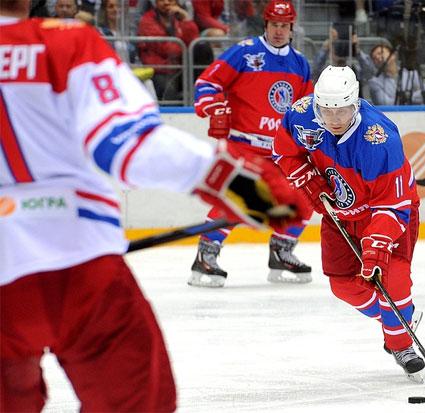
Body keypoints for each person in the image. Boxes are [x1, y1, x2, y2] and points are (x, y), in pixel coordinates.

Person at [0, 1, 309, 411]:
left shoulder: (300, 64)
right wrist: (236, 182)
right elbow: (126, 145)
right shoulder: (67, 41)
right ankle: (210, 254)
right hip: (79, 266)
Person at [273, 65, 425, 380]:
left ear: (355, 104)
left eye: (342, 111)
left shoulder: (378, 138)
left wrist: (376, 246)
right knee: (343, 286)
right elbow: (284, 152)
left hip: (384, 215)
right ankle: (393, 319)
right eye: (327, 112)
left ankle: (400, 342)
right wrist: (309, 182)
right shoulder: (301, 115)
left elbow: (392, 205)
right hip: (340, 213)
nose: (335, 120)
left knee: (392, 278)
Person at [188, 0, 314, 288]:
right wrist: (214, 107)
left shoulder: (300, 64)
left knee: (306, 194)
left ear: (291, 28)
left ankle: (282, 252)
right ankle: (205, 255)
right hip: (244, 145)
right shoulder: (245, 53)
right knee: (239, 198)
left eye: (284, 26)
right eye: (274, 25)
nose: (279, 31)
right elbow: (207, 84)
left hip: (281, 150)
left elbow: (305, 109)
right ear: (266, 25)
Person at [137, 0, 199, 102]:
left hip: (180, 68)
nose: (166, 2)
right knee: (168, 90)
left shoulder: (179, 18)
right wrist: (184, 46)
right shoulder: (147, 21)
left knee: (202, 47)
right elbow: (168, 49)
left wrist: (186, 20)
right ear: (155, 2)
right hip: (160, 70)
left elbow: (194, 42)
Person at [358, 43, 425, 105]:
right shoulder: (374, 82)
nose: (378, 57)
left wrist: (405, 97)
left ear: (393, 55)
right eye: (374, 58)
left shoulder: (412, 74)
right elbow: (385, 104)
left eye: (380, 53)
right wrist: (409, 97)